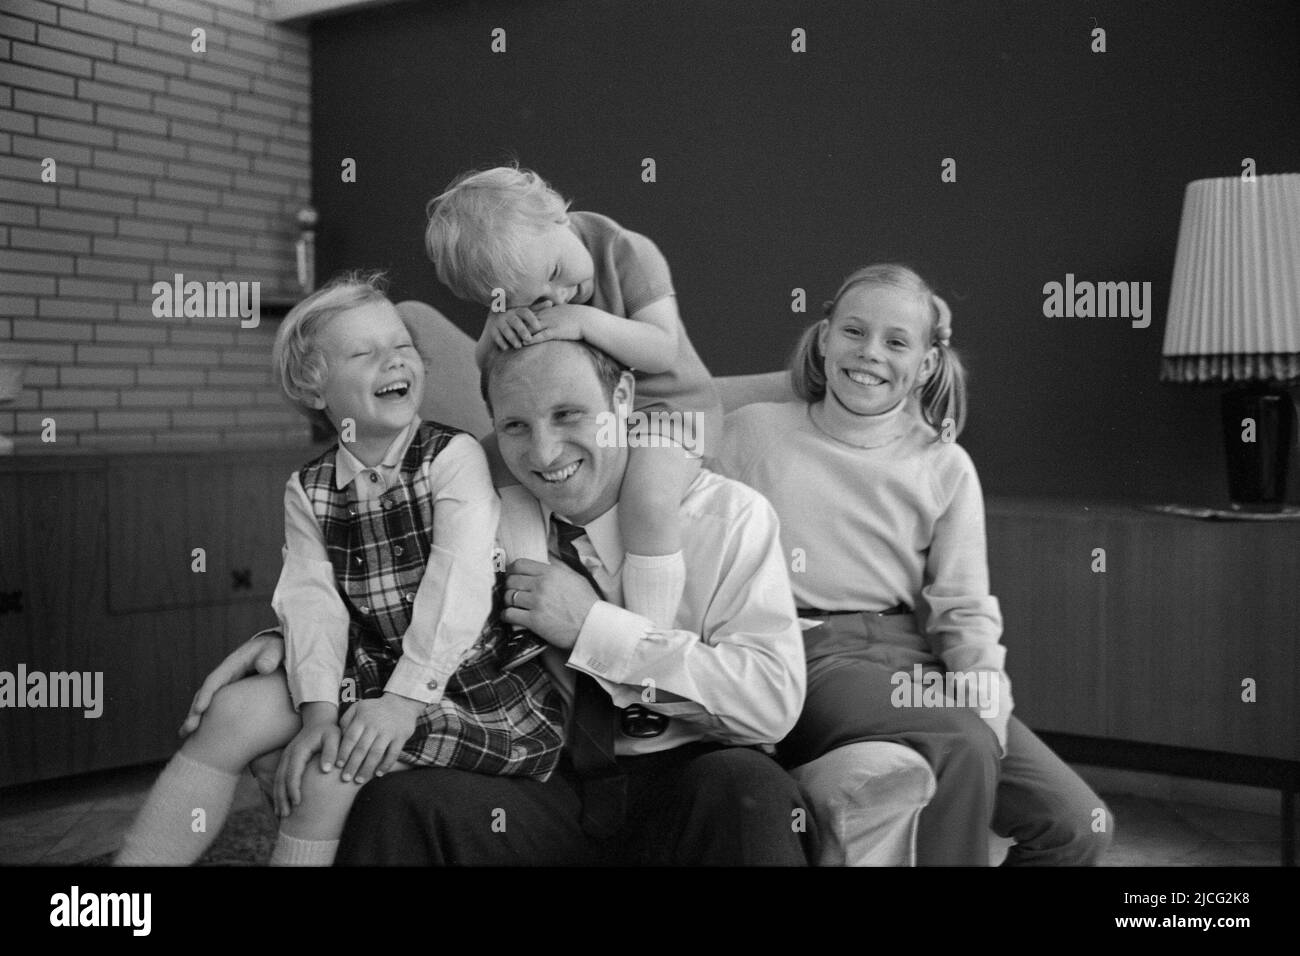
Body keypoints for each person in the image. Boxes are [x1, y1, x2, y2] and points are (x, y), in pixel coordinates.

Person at [189, 338, 810, 866]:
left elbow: (771, 703)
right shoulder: (481, 512)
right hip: (538, 779)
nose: (543, 453)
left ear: (622, 400)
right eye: (516, 426)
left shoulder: (727, 517)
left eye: (569, 415)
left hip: (687, 779)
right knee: (400, 807)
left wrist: (593, 628)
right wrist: (282, 645)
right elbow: (374, 598)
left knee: (749, 789)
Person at [116, 275, 563, 867]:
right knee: (233, 713)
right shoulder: (309, 488)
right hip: (369, 665)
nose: (394, 359)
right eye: (364, 353)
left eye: (402, 345)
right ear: (314, 387)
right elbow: (312, 604)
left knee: (330, 773)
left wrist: (403, 703)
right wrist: (317, 713)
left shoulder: (450, 458)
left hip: (460, 677)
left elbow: (459, 586)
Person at [717, 263, 1114, 865]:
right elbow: (669, 402)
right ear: (823, 338)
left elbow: (965, 609)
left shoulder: (943, 462)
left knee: (1077, 826)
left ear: (928, 364)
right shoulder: (751, 433)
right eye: (853, 332)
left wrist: (987, 704)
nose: (870, 353)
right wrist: (801, 378)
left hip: (911, 651)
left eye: (897, 342)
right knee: (960, 744)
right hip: (805, 649)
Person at [424, 165, 723, 633]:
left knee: (647, 499)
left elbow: (662, 348)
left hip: (665, 411)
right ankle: (526, 594)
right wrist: (494, 335)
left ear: (558, 213)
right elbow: (488, 364)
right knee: (487, 463)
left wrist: (583, 321)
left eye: (557, 273)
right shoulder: (515, 284)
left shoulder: (626, 252)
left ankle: (645, 638)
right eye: (537, 300)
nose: (559, 296)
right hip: (573, 422)